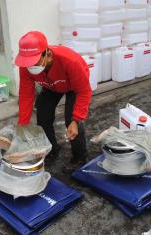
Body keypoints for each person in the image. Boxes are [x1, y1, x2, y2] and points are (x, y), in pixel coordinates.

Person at [14, 31, 92, 168]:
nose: (30, 66)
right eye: (27, 63)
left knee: (72, 122)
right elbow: (26, 94)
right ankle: (51, 150)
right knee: (43, 116)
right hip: (50, 85)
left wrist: (76, 119)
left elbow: (84, 92)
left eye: (34, 62)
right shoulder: (26, 66)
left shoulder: (70, 61)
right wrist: (23, 122)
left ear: (48, 55)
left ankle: (80, 158)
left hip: (74, 86)